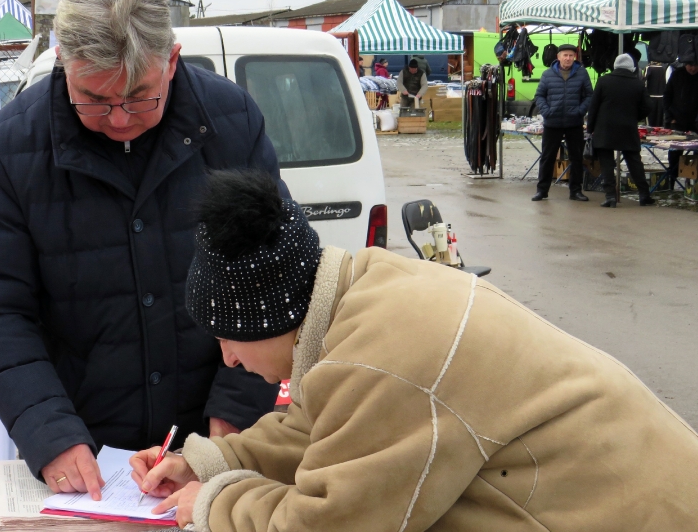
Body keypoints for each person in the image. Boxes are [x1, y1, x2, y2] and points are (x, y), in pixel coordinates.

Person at [130, 170, 698, 531]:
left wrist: (214, 504)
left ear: (273, 319)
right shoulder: (366, 287)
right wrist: (208, 462)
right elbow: (326, 428)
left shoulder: (380, 356)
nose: (229, 359)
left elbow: (331, 523)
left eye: (228, 336)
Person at [0, 0, 283, 500]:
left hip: (210, 436)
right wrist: (49, 432)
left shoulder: (231, 123)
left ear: (171, 61)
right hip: (82, 449)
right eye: (93, 99)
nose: (118, 119)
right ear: (63, 61)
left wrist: (234, 416)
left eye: (138, 97)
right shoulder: (9, 149)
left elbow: (269, 272)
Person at [587, 54, 655, 208]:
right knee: (634, 161)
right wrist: (635, 116)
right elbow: (648, 106)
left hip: (605, 128)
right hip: (628, 127)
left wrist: (590, 128)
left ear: (615, 65)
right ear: (631, 67)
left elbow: (593, 106)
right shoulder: (638, 84)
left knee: (606, 163)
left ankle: (610, 196)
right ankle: (644, 195)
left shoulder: (604, 80)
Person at [532, 43, 593, 202]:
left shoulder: (582, 73)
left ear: (575, 57)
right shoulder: (547, 74)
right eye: (565, 55)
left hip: (574, 122)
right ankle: (542, 191)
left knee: (576, 158)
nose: (568, 58)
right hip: (552, 122)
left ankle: (576, 191)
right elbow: (539, 96)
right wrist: (547, 111)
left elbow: (589, 95)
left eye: (571, 55)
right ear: (558, 57)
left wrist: (580, 111)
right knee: (547, 157)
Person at [663, 61, 698, 190]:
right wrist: (670, 117)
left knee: (696, 153)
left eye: (695, 65)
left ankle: (693, 184)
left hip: (695, 122)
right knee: (675, 154)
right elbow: (667, 96)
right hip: (677, 121)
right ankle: (671, 181)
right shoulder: (677, 74)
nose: (693, 68)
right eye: (690, 65)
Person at [644, 60, 668, 127]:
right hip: (661, 98)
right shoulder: (663, 68)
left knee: (650, 124)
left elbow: (645, 83)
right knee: (659, 123)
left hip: (651, 97)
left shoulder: (649, 68)